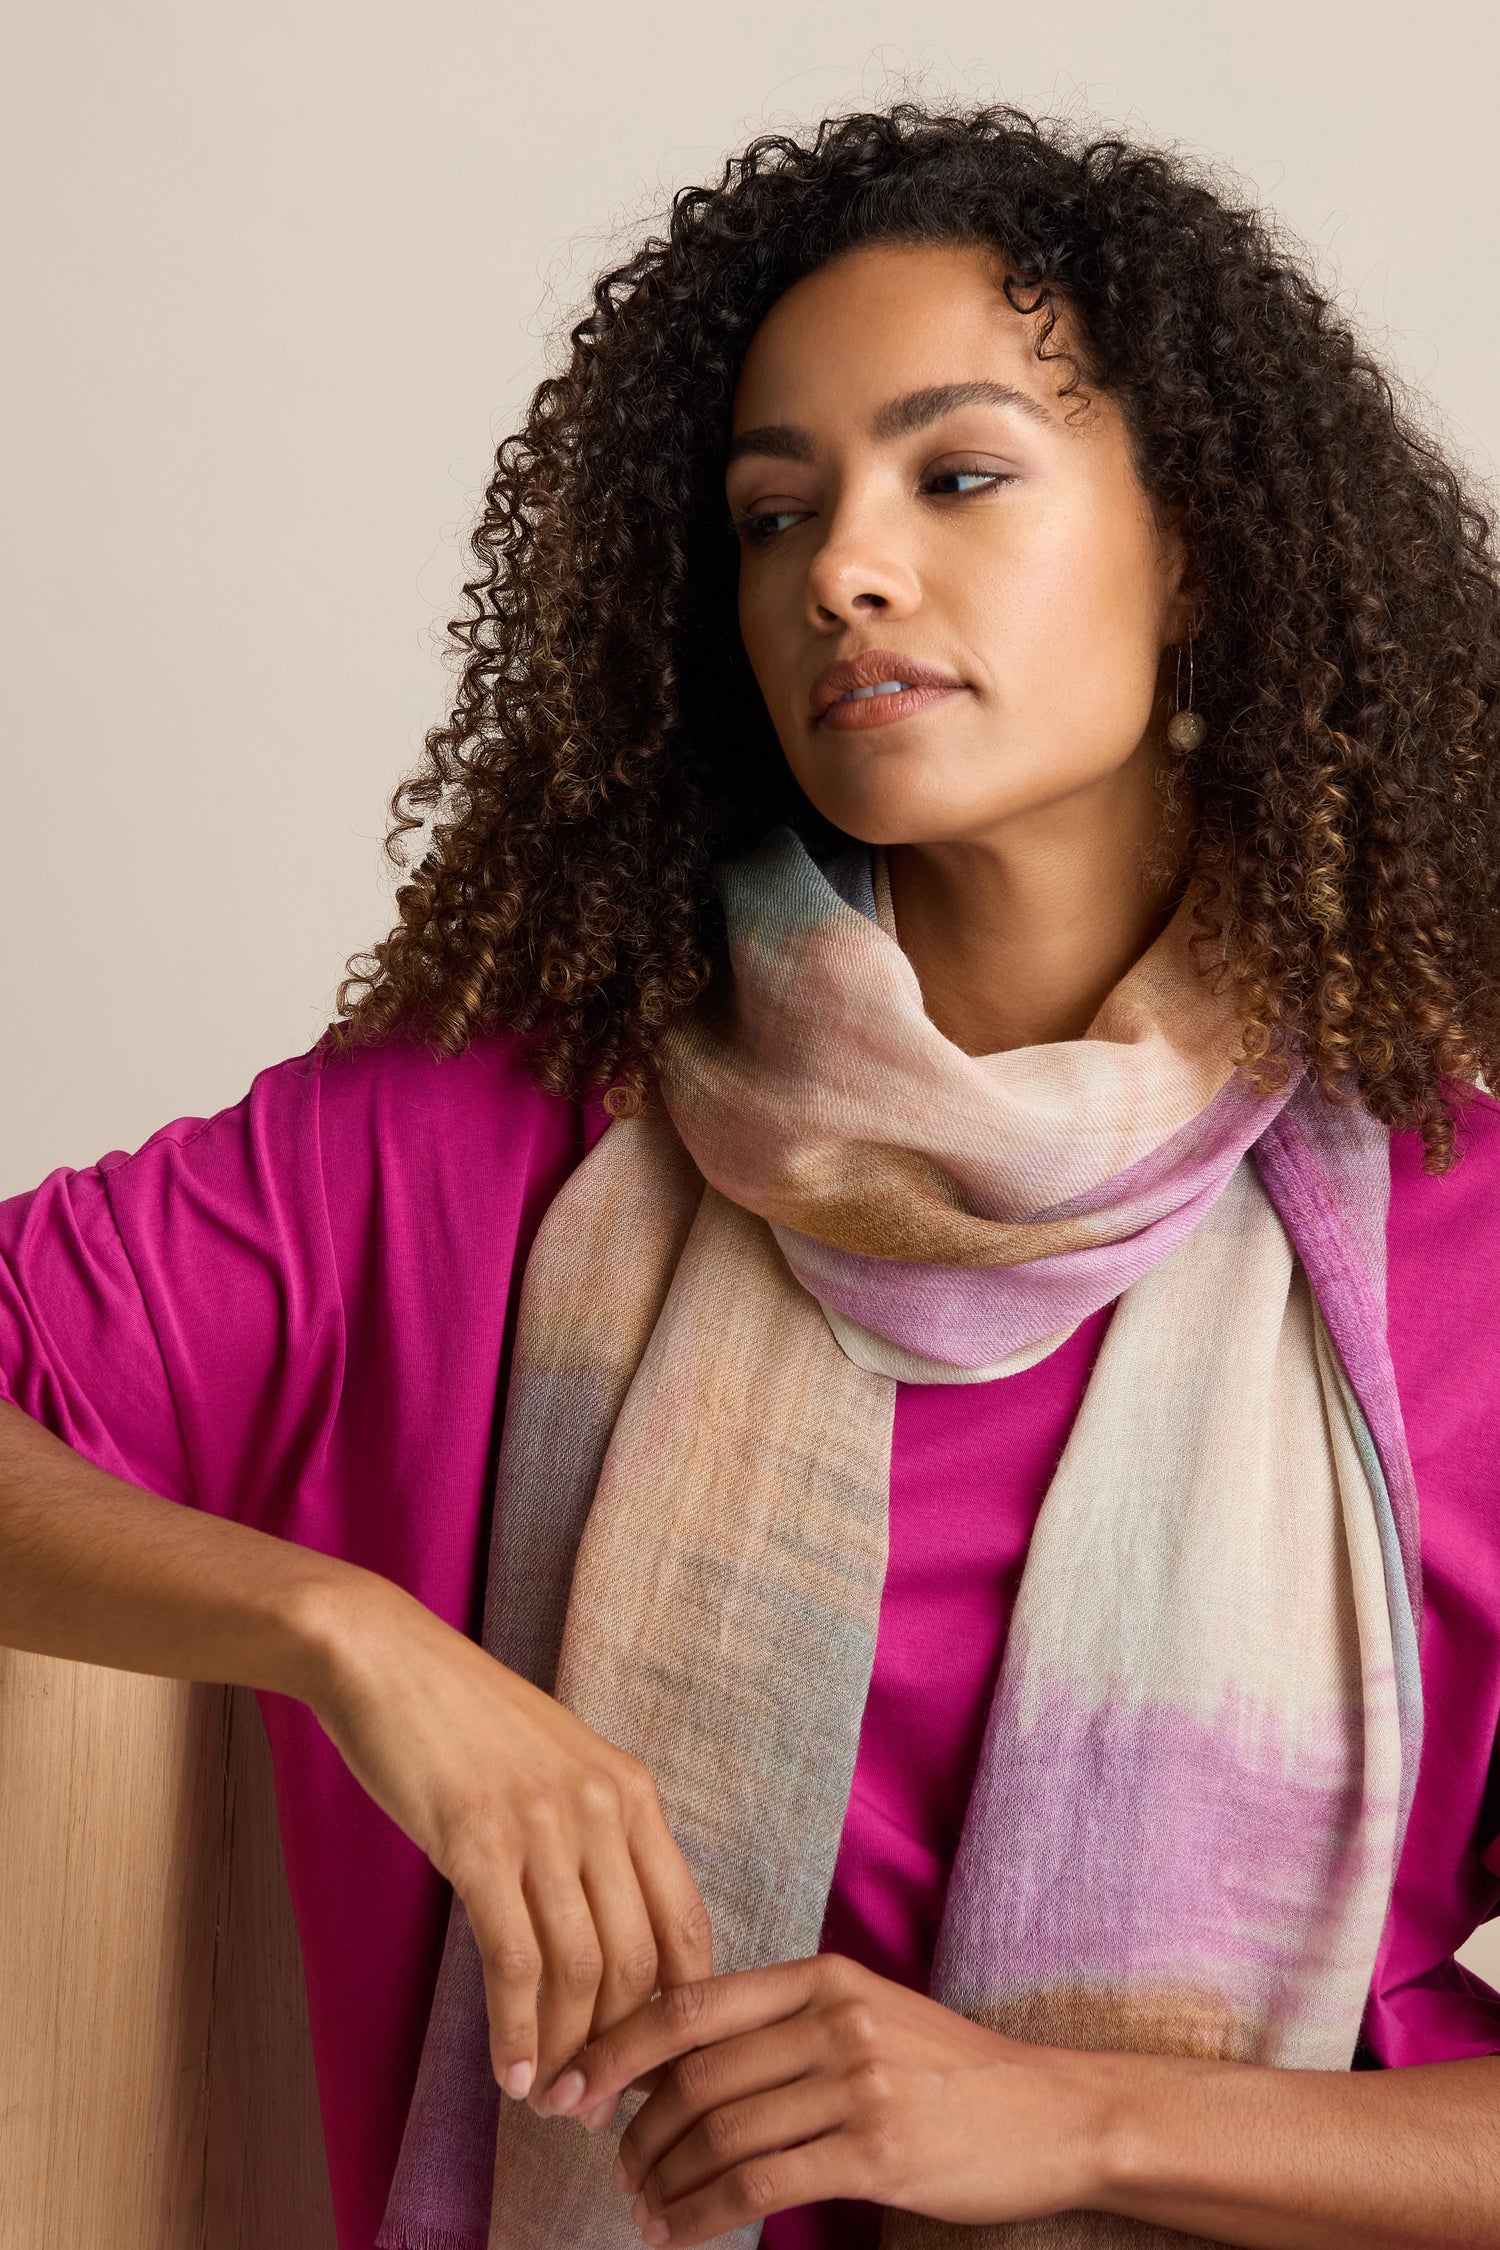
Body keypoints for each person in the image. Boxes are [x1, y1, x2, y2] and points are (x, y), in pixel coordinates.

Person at [3, 98, 1500, 2250]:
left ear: (1212, 550)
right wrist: (346, 1640)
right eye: (772, 513)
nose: (844, 568)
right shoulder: (504, 1138)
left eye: (955, 473)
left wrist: (1081, 2127)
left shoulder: (1466, 1242)